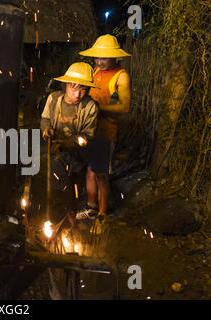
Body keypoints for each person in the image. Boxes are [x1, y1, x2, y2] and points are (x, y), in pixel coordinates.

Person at [75, 34, 132, 221]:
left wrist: (98, 108)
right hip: (90, 132)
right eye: (97, 57)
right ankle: (91, 208)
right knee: (90, 172)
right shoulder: (95, 73)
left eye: (104, 58)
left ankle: (102, 214)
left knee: (100, 175)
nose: (99, 61)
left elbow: (124, 106)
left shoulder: (121, 76)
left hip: (106, 133)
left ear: (114, 57)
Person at [40, 62, 99, 222]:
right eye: (74, 88)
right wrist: (46, 130)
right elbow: (45, 118)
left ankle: (76, 217)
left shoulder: (90, 107)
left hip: (77, 154)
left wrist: (68, 142)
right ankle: (55, 217)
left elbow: (88, 136)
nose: (78, 94)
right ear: (66, 85)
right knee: (55, 185)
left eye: (83, 89)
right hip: (55, 152)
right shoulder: (53, 99)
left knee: (75, 186)